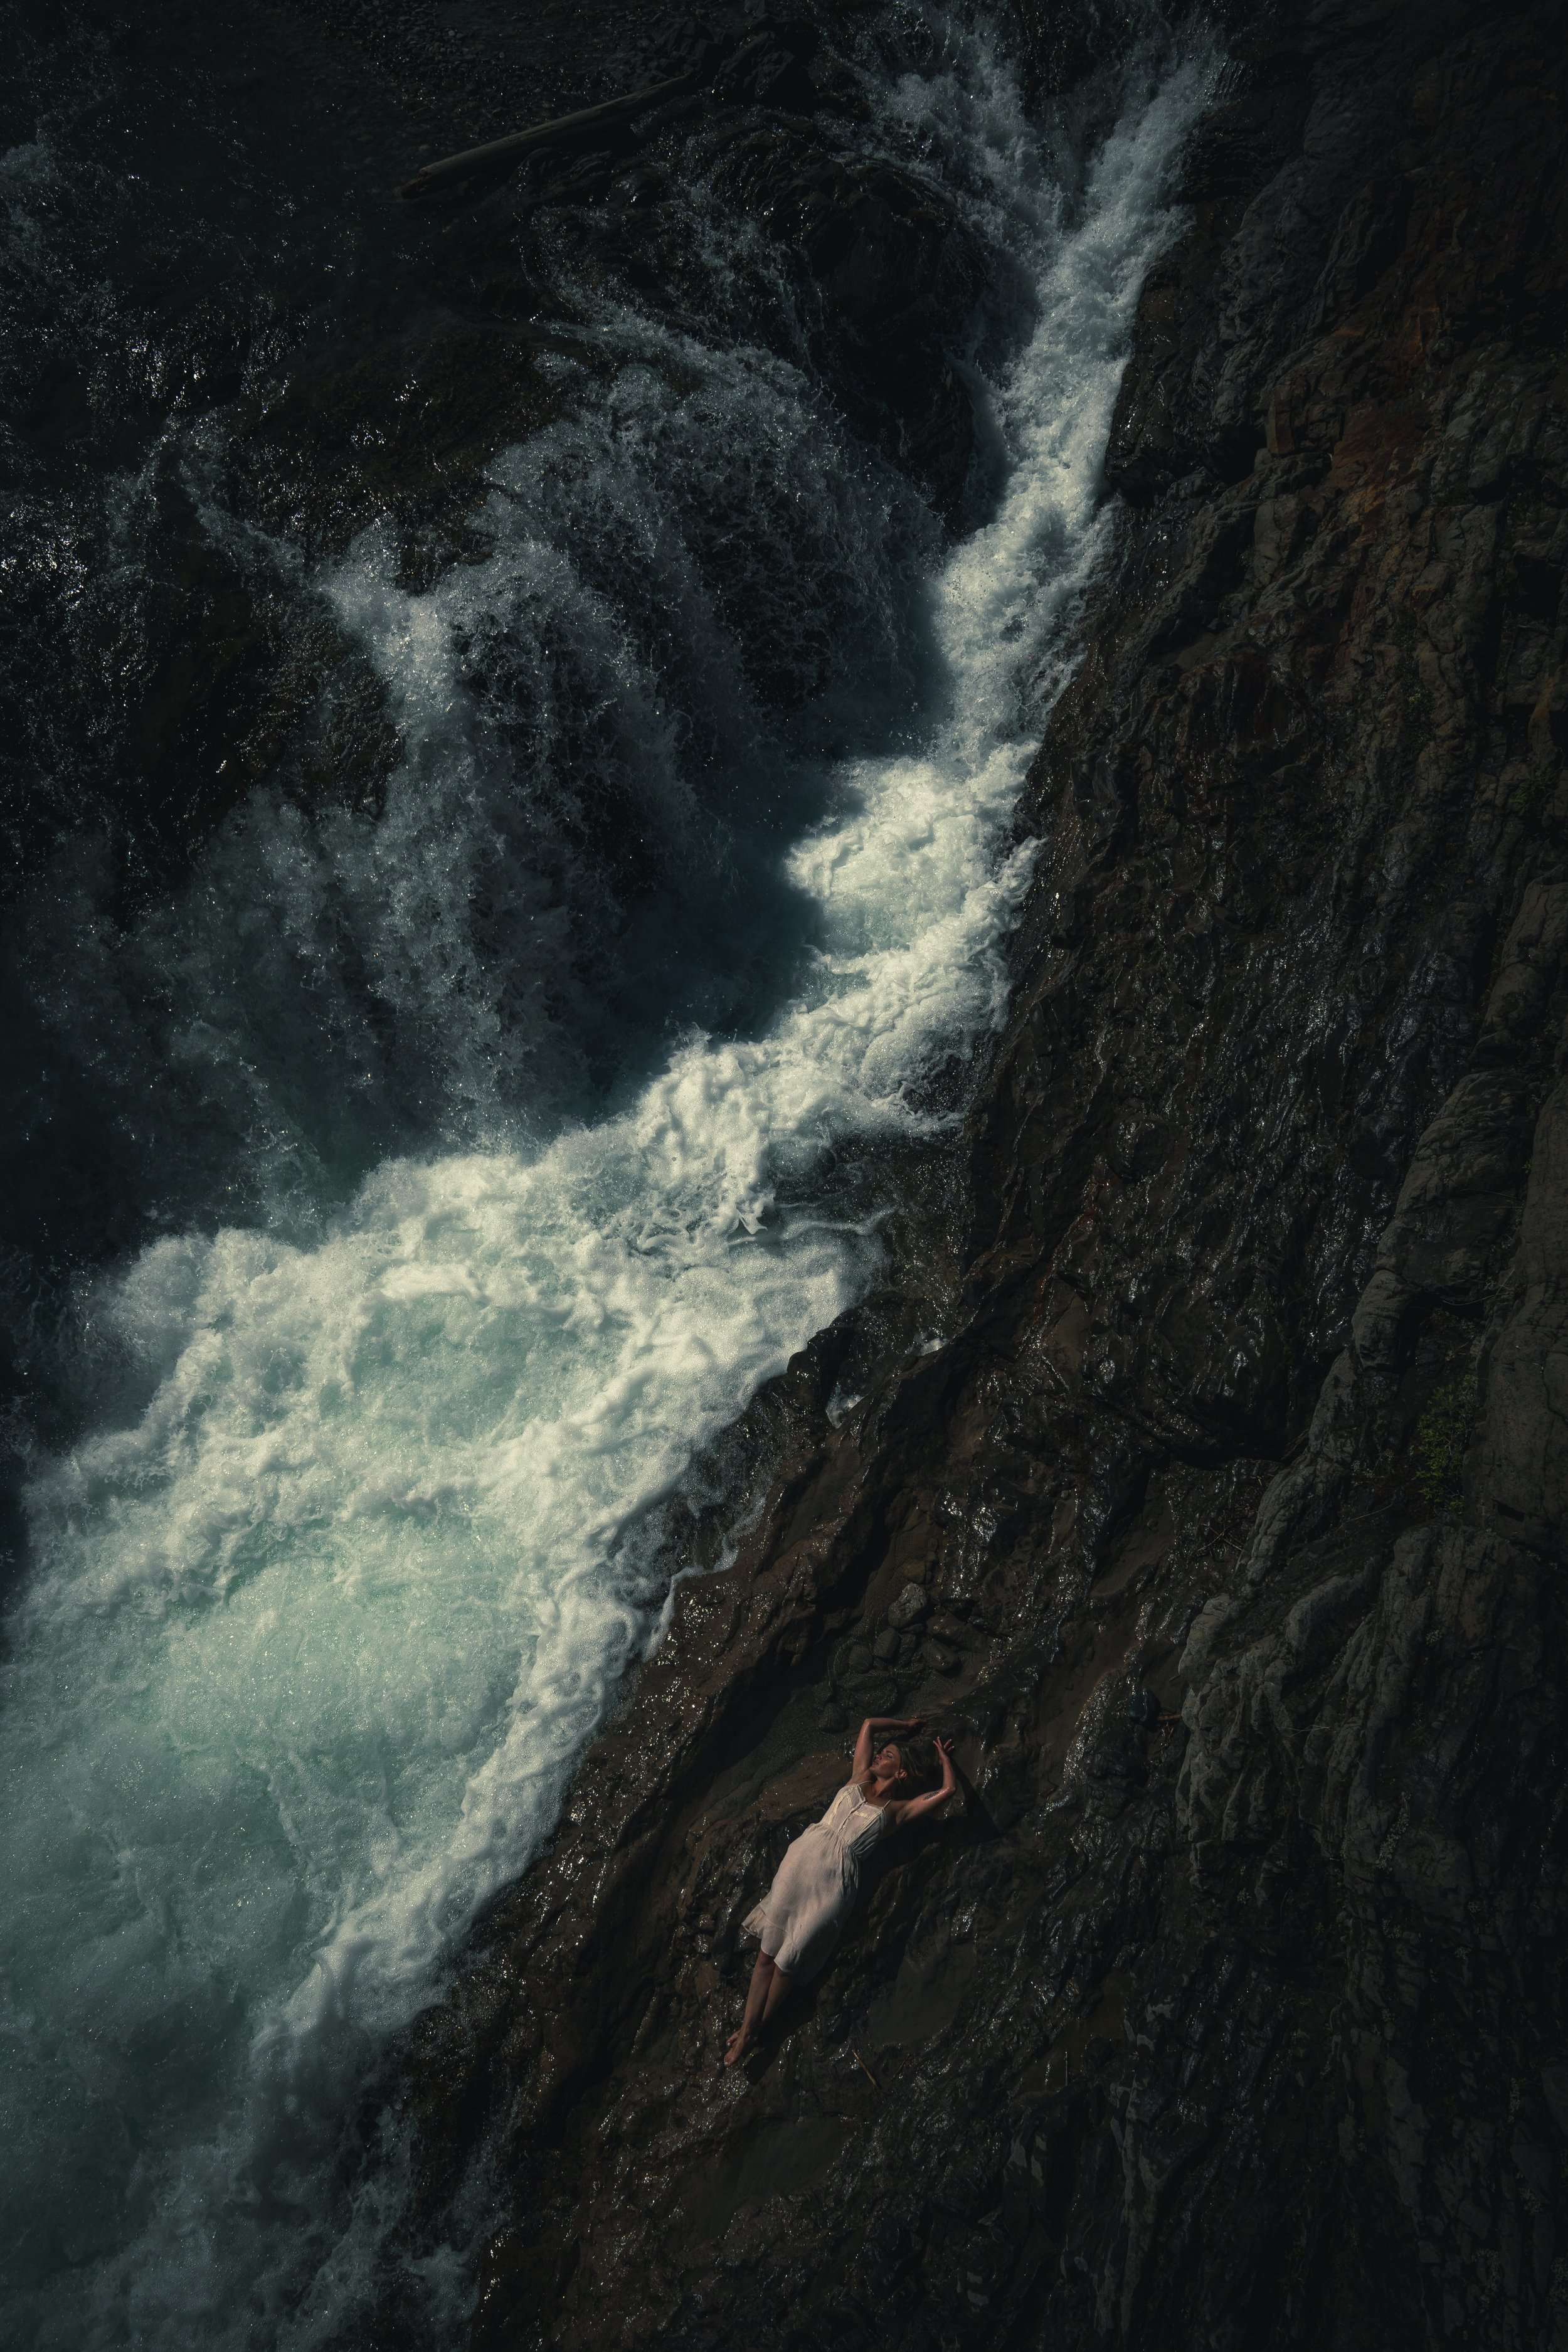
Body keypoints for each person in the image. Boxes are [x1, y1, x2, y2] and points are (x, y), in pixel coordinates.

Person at [724, 1714, 958, 2067]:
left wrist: (944, 1758)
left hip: (835, 1883)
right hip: (800, 1862)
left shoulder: (896, 1811)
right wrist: (905, 1726)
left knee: (789, 1962)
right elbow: (867, 1725)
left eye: (888, 1756)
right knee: (766, 1955)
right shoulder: (858, 1777)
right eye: (881, 1753)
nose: (879, 1756)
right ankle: (747, 2031)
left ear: (902, 1774)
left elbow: (948, 1792)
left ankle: (756, 2029)